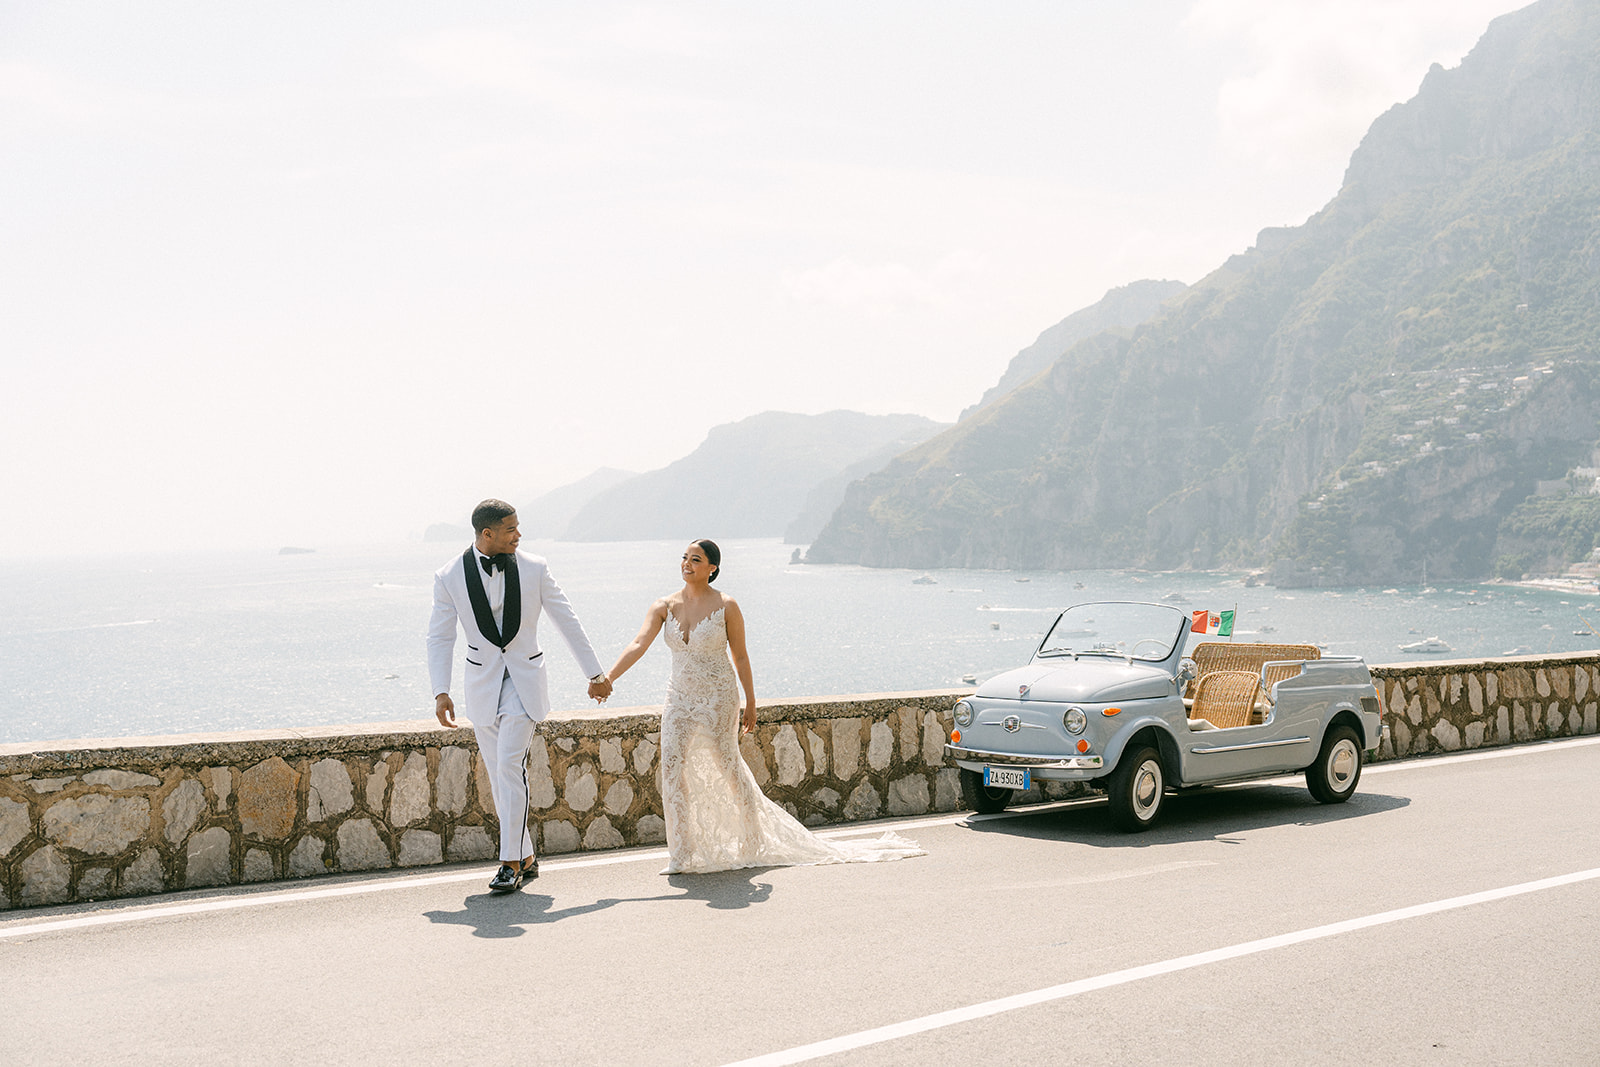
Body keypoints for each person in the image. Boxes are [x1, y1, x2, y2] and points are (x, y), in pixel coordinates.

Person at [600, 539, 924, 874]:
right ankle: (681, 854)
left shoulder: (727, 606)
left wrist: (751, 702)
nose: (686, 564)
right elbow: (638, 644)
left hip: (719, 697)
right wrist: (609, 678)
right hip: (678, 699)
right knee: (671, 768)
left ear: (712, 567)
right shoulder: (663, 606)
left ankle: (752, 841)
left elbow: (739, 656)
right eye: (684, 558)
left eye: (695, 559)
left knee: (728, 766)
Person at [427, 499, 612, 894]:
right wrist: (440, 691)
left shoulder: (535, 568)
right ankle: (526, 854)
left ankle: (508, 862)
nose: (519, 535)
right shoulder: (448, 576)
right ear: (487, 534)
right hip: (481, 685)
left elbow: (567, 618)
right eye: (511, 529)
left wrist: (595, 673)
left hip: (524, 682)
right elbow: (441, 635)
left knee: (510, 764)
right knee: (499, 774)